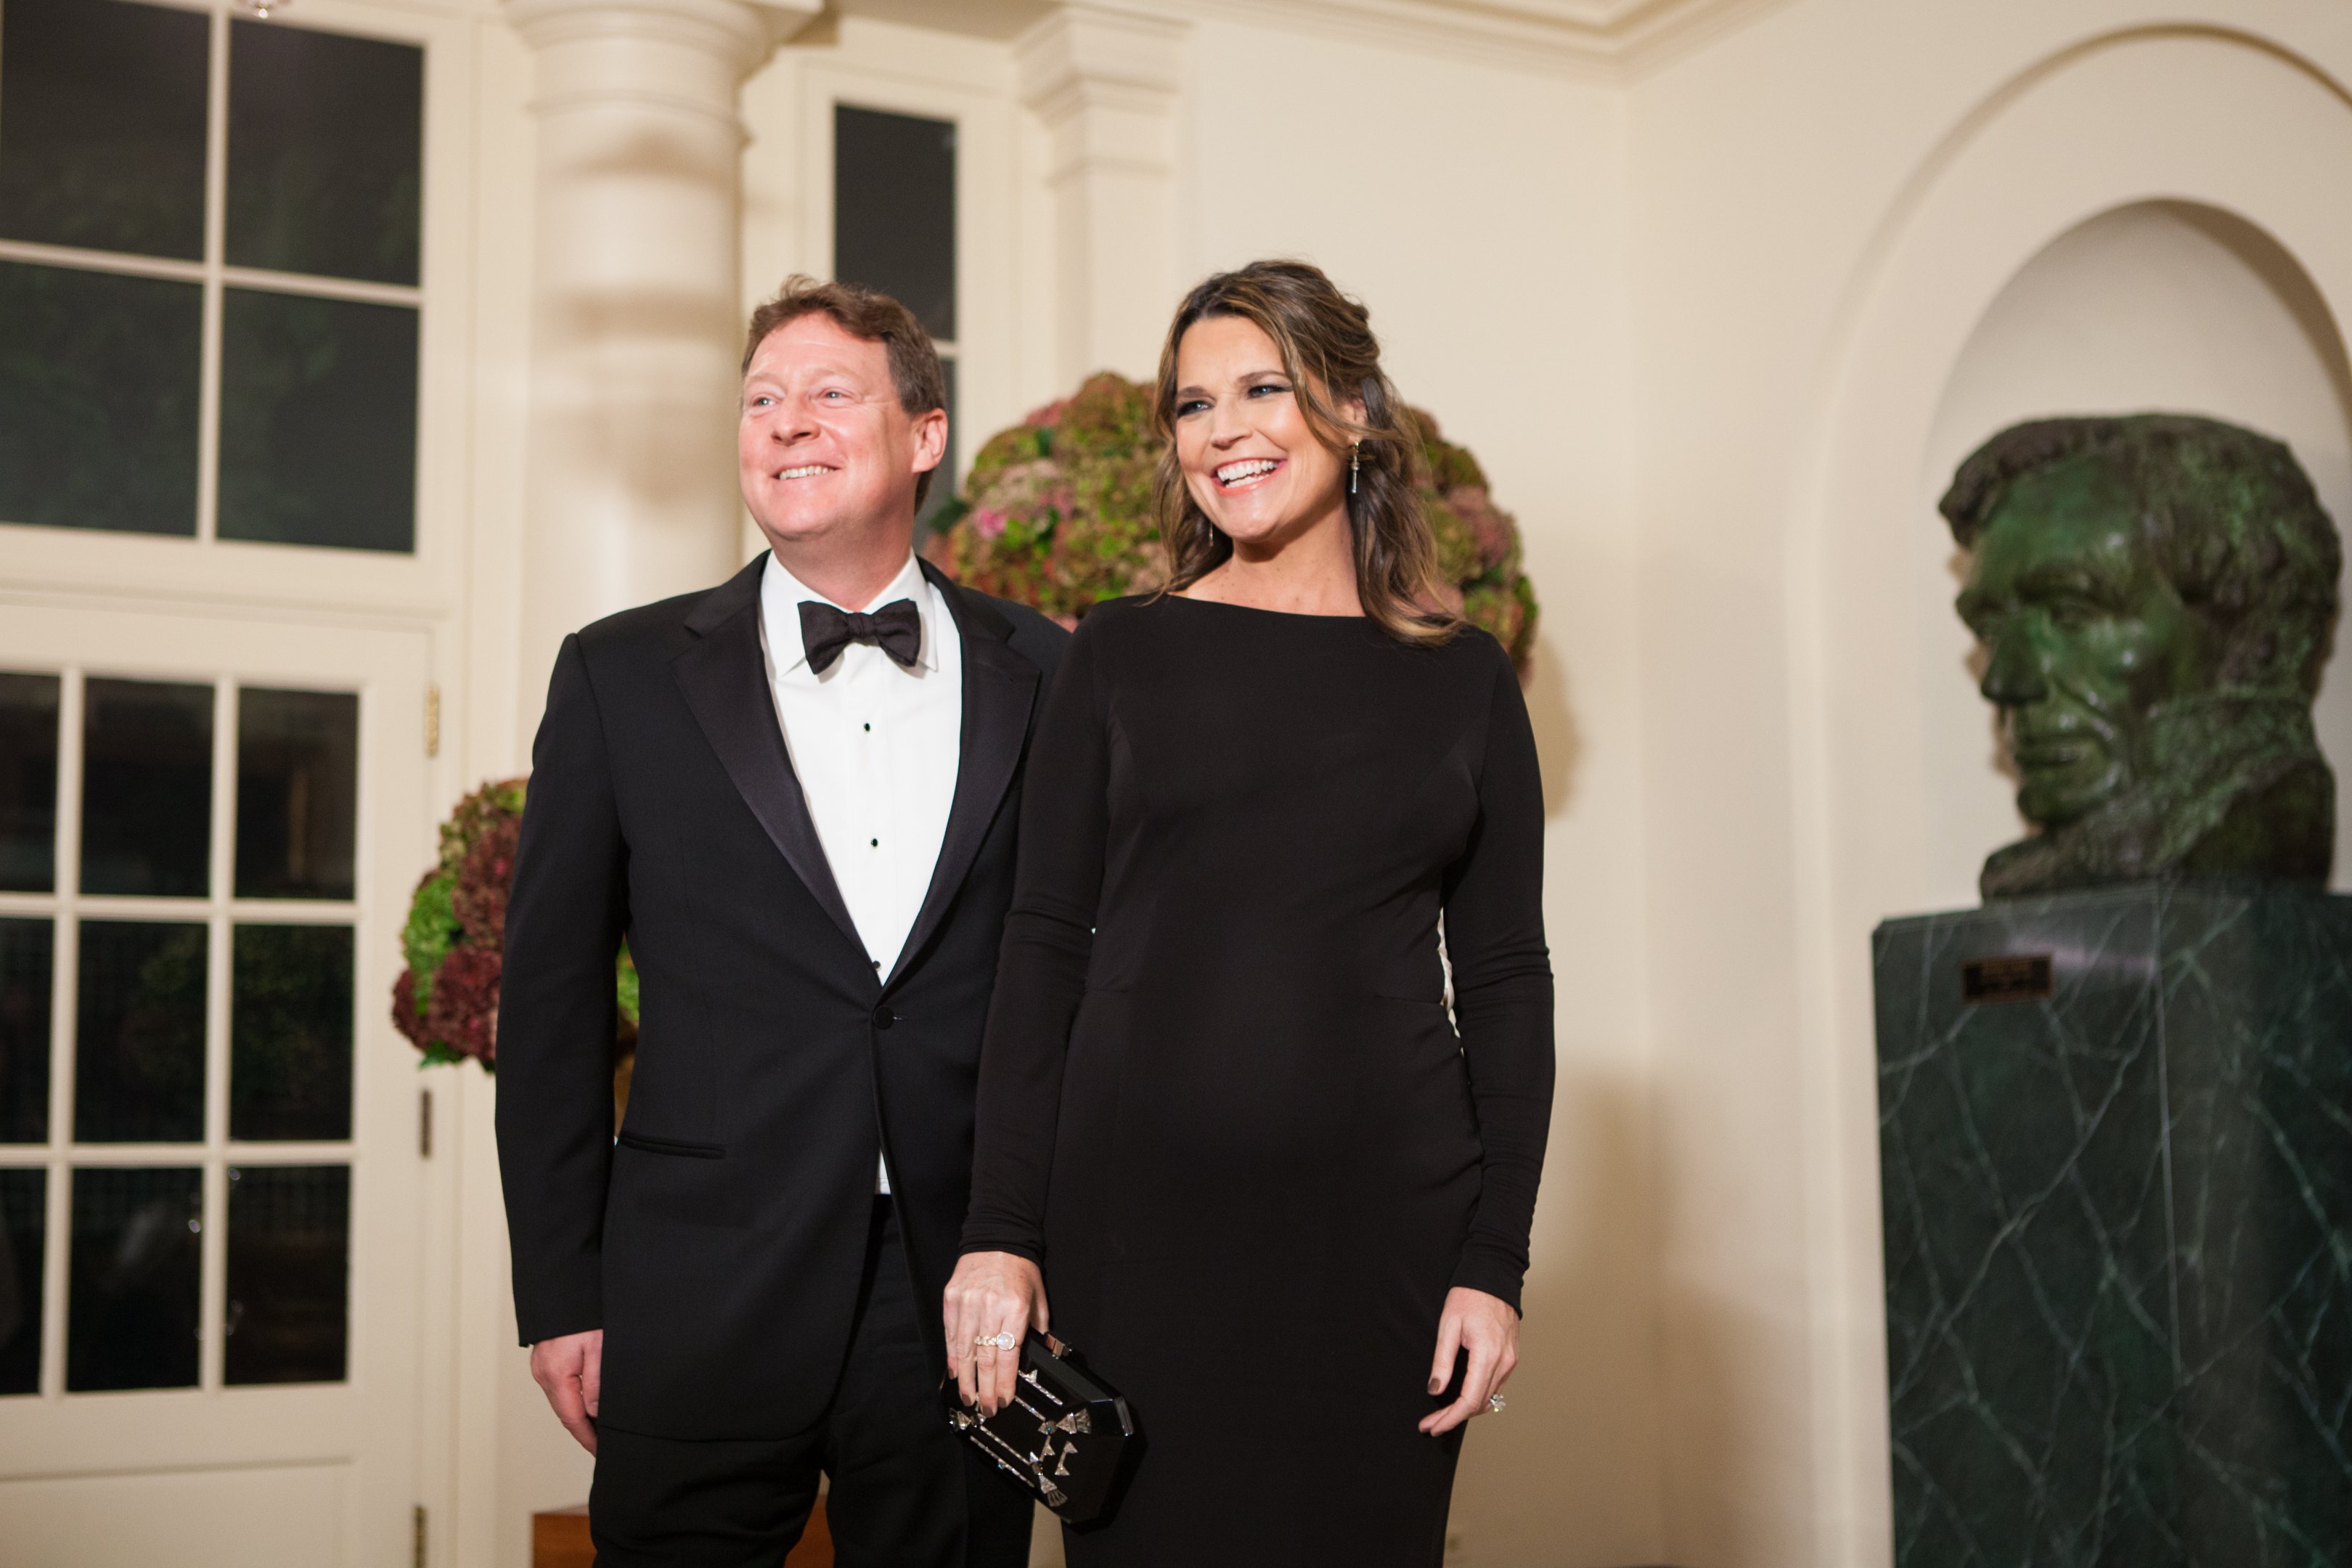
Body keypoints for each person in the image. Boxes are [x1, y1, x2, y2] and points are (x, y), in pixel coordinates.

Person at [943, 259, 1556, 1565]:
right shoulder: (1118, 651)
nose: (1223, 431)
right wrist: (1001, 1234)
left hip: (1387, 1243)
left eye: (1262, 389)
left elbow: (1504, 979)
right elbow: (1042, 945)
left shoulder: (1464, 683)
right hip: (1137, 1238)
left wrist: (1493, 1263)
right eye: (1193, 404)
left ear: (1353, 407)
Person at [496, 277, 1063, 1567]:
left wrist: (1039, 1250)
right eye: (762, 398)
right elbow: (552, 1007)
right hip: (698, 1282)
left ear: (926, 435)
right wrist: (562, 1287)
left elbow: (1076, 985)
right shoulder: (619, 675)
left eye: (827, 393)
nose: (786, 423)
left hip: (958, 1289)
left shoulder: (1052, 673)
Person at [1943, 414, 2340, 897]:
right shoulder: (2046, 868)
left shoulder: (2227, 830)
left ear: (2236, 622)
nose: (2003, 681)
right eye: (1990, 630)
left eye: (2071, 615)